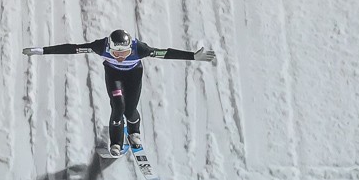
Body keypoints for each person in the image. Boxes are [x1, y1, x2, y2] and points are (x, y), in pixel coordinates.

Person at [22, 29, 217, 156]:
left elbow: (165, 53)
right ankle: (116, 142)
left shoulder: (140, 49)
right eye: (116, 54)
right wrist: (41, 50)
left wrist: (193, 56)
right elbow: (72, 48)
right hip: (114, 76)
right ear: (110, 48)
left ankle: (134, 132)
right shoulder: (101, 46)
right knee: (118, 107)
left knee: (130, 110)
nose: (120, 57)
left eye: (124, 54)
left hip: (134, 76)